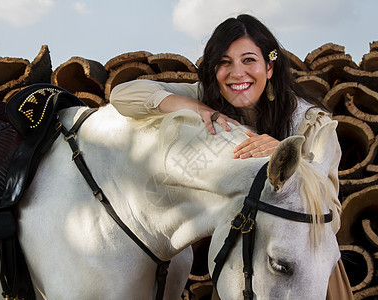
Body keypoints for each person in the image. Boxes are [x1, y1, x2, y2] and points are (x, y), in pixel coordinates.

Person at [110, 14, 353, 300]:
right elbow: (123, 95)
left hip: (303, 271)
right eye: (225, 62)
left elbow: (331, 217)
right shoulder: (209, 99)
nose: (237, 73)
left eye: (249, 60)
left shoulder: (313, 125)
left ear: (270, 67)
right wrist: (196, 108)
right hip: (244, 263)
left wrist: (286, 157)